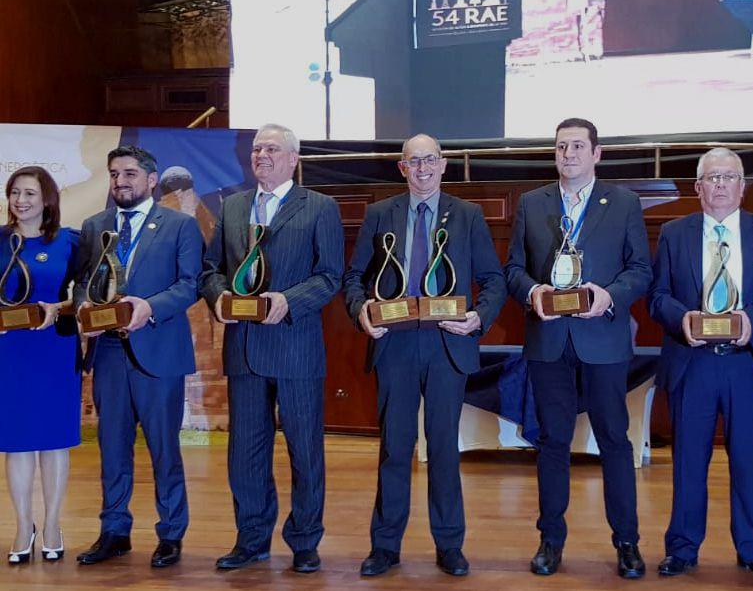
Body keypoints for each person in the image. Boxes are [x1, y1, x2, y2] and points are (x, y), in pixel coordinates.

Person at [342, 133, 506, 577]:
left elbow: (494, 279)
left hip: (447, 344)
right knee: (395, 449)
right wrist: (361, 313)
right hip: (393, 343)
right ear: (402, 168)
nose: (422, 168)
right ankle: (385, 545)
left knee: (444, 450)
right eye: (413, 161)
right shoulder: (380, 213)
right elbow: (354, 277)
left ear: (443, 164)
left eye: (429, 160)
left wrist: (477, 318)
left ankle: (449, 545)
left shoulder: (468, 215)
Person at [505, 117, 652, 578]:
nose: (568, 154)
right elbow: (513, 270)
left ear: (597, 154)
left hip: (603, 340)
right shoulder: (532, 203)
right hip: (549, 340)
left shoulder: (624, 202)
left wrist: (609, 296)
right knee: (552, 442)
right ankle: (551, 540)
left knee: (613, 440)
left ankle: (627, 542)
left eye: (577, 147)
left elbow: (641, 270)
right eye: (561, 147)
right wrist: (532, 295)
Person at [200, 123, 344, 574]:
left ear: (293, 159)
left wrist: (289, 301)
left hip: (296, 348)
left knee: (304, 451)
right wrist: (219, 296)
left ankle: (304, 541)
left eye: (272, 149)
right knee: (246, 451)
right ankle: (252, 538)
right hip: (243, 350)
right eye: (257, 148)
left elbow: (329, 276)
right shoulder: (234, 207)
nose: (262, 155)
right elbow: (211, 270)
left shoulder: (320, 207)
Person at [648, 148, 753, 579]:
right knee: (689, 460)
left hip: (748, 362)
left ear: (743, 186)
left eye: (729, 177)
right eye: (712, 178)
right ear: (698, 187)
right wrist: (682, 318)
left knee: (748, 459)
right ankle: (683, 547)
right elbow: (657, 298)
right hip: (694, 362)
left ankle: (752, 547)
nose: (721, 185)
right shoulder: (674, 232)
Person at [73, 145, 204, 568]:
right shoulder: (94, 226)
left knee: (165, 449)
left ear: (151, 180)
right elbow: (80, 285)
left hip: (158, 349)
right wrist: (82, 312)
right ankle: (114, 531)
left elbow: (189, 285)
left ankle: (170, 534)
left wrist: (149, 308)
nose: (120, 181)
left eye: (129, 173)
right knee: (112, 448)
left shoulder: (180, 225)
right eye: (114, 174)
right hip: (109, 353)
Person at [0, 167, 79, 564]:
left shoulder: (69, 241)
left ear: (46, 198)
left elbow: (87, 297)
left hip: (53, 350)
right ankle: (21, 525)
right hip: (9, 353)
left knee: (53, 441)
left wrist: (59, 307)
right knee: (16, 442)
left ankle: (51, 525)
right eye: (15, 193)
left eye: (29, 193)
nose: (21, 200)